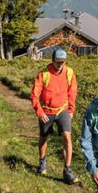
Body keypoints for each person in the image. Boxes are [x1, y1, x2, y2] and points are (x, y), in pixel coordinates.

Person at [31, 48, 79, 184]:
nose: (60, 65)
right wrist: (39, 112)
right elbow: (34, 95)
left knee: (67, 136)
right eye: (58, 62)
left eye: (63, 62)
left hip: (62, 110)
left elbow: (72, 92)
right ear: (52, 61)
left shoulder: (69, 73)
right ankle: (42, 163)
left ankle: (67, 170)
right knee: (44, 137)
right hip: (46, 111)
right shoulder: (43, 74)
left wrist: (71, 110)